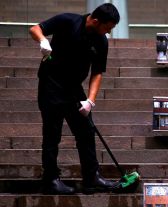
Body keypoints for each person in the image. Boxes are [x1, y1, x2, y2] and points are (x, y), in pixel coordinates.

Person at [29, 3, 120, 194]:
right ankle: (51, 179)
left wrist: (90, 101)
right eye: (108, 27)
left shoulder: (101, 41)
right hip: (51, 84)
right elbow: (35, 29)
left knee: (86, 131)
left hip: (74, 88)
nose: (109, 32)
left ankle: (91, 177)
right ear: (96, 21)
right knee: (52, 133)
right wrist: (43, 42)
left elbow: (97, 72)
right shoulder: (67, 21)